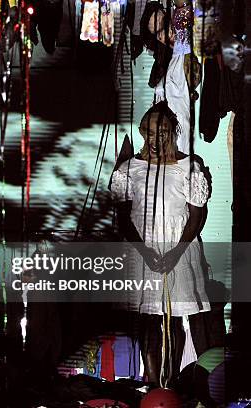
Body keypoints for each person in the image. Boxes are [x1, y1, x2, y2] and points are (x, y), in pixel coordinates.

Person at [111, 102, 210, 385]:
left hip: (178, 247)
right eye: (149, 134)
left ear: (172, 133)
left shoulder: (188, 166)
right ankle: (153, 382)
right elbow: (122, 216)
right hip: (142, 250)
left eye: (161, 134)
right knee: (149, 318)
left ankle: (173, 380)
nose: (154, 141)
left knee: (174, 317)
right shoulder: (131, 168)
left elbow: (196, 215)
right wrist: (144, 251)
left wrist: (177, 252)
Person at [141, 0, 200, 155]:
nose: (163, 34)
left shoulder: (183, 51)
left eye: (163, 23)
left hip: (180, 131)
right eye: (157, 32)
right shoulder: (165, 64)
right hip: (170, 133)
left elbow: (184, 13)